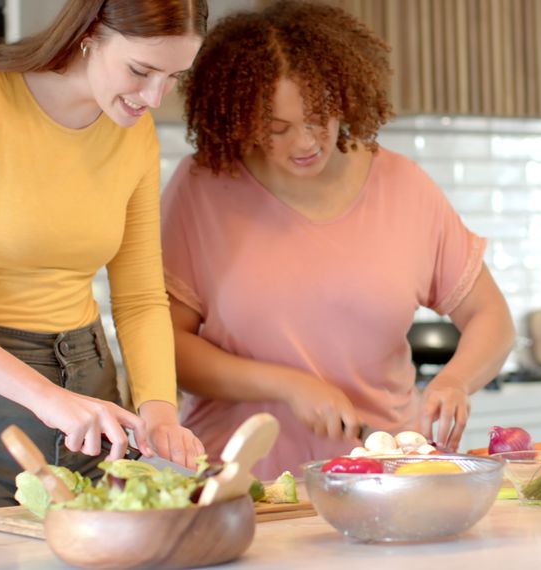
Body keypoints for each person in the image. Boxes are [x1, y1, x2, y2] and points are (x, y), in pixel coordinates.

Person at [0, 0, 208, 519]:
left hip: (92, 404)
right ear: (90, 33)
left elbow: (142, 297)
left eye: (173, 77)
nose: (154, 96)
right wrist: (46, 399)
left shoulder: (133, 132)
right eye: (140, 70)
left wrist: (160, 411)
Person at [161, 0, 515, 479]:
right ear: (241, 118)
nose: (305, 143)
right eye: (278, 128)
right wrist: (288, 385)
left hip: (384, 473)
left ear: (343, 99)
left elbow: (490, 316)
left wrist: (455, 381)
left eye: (318, 119)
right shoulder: (202, 188)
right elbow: (167, 348)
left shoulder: (403, 186)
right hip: (244, 482)